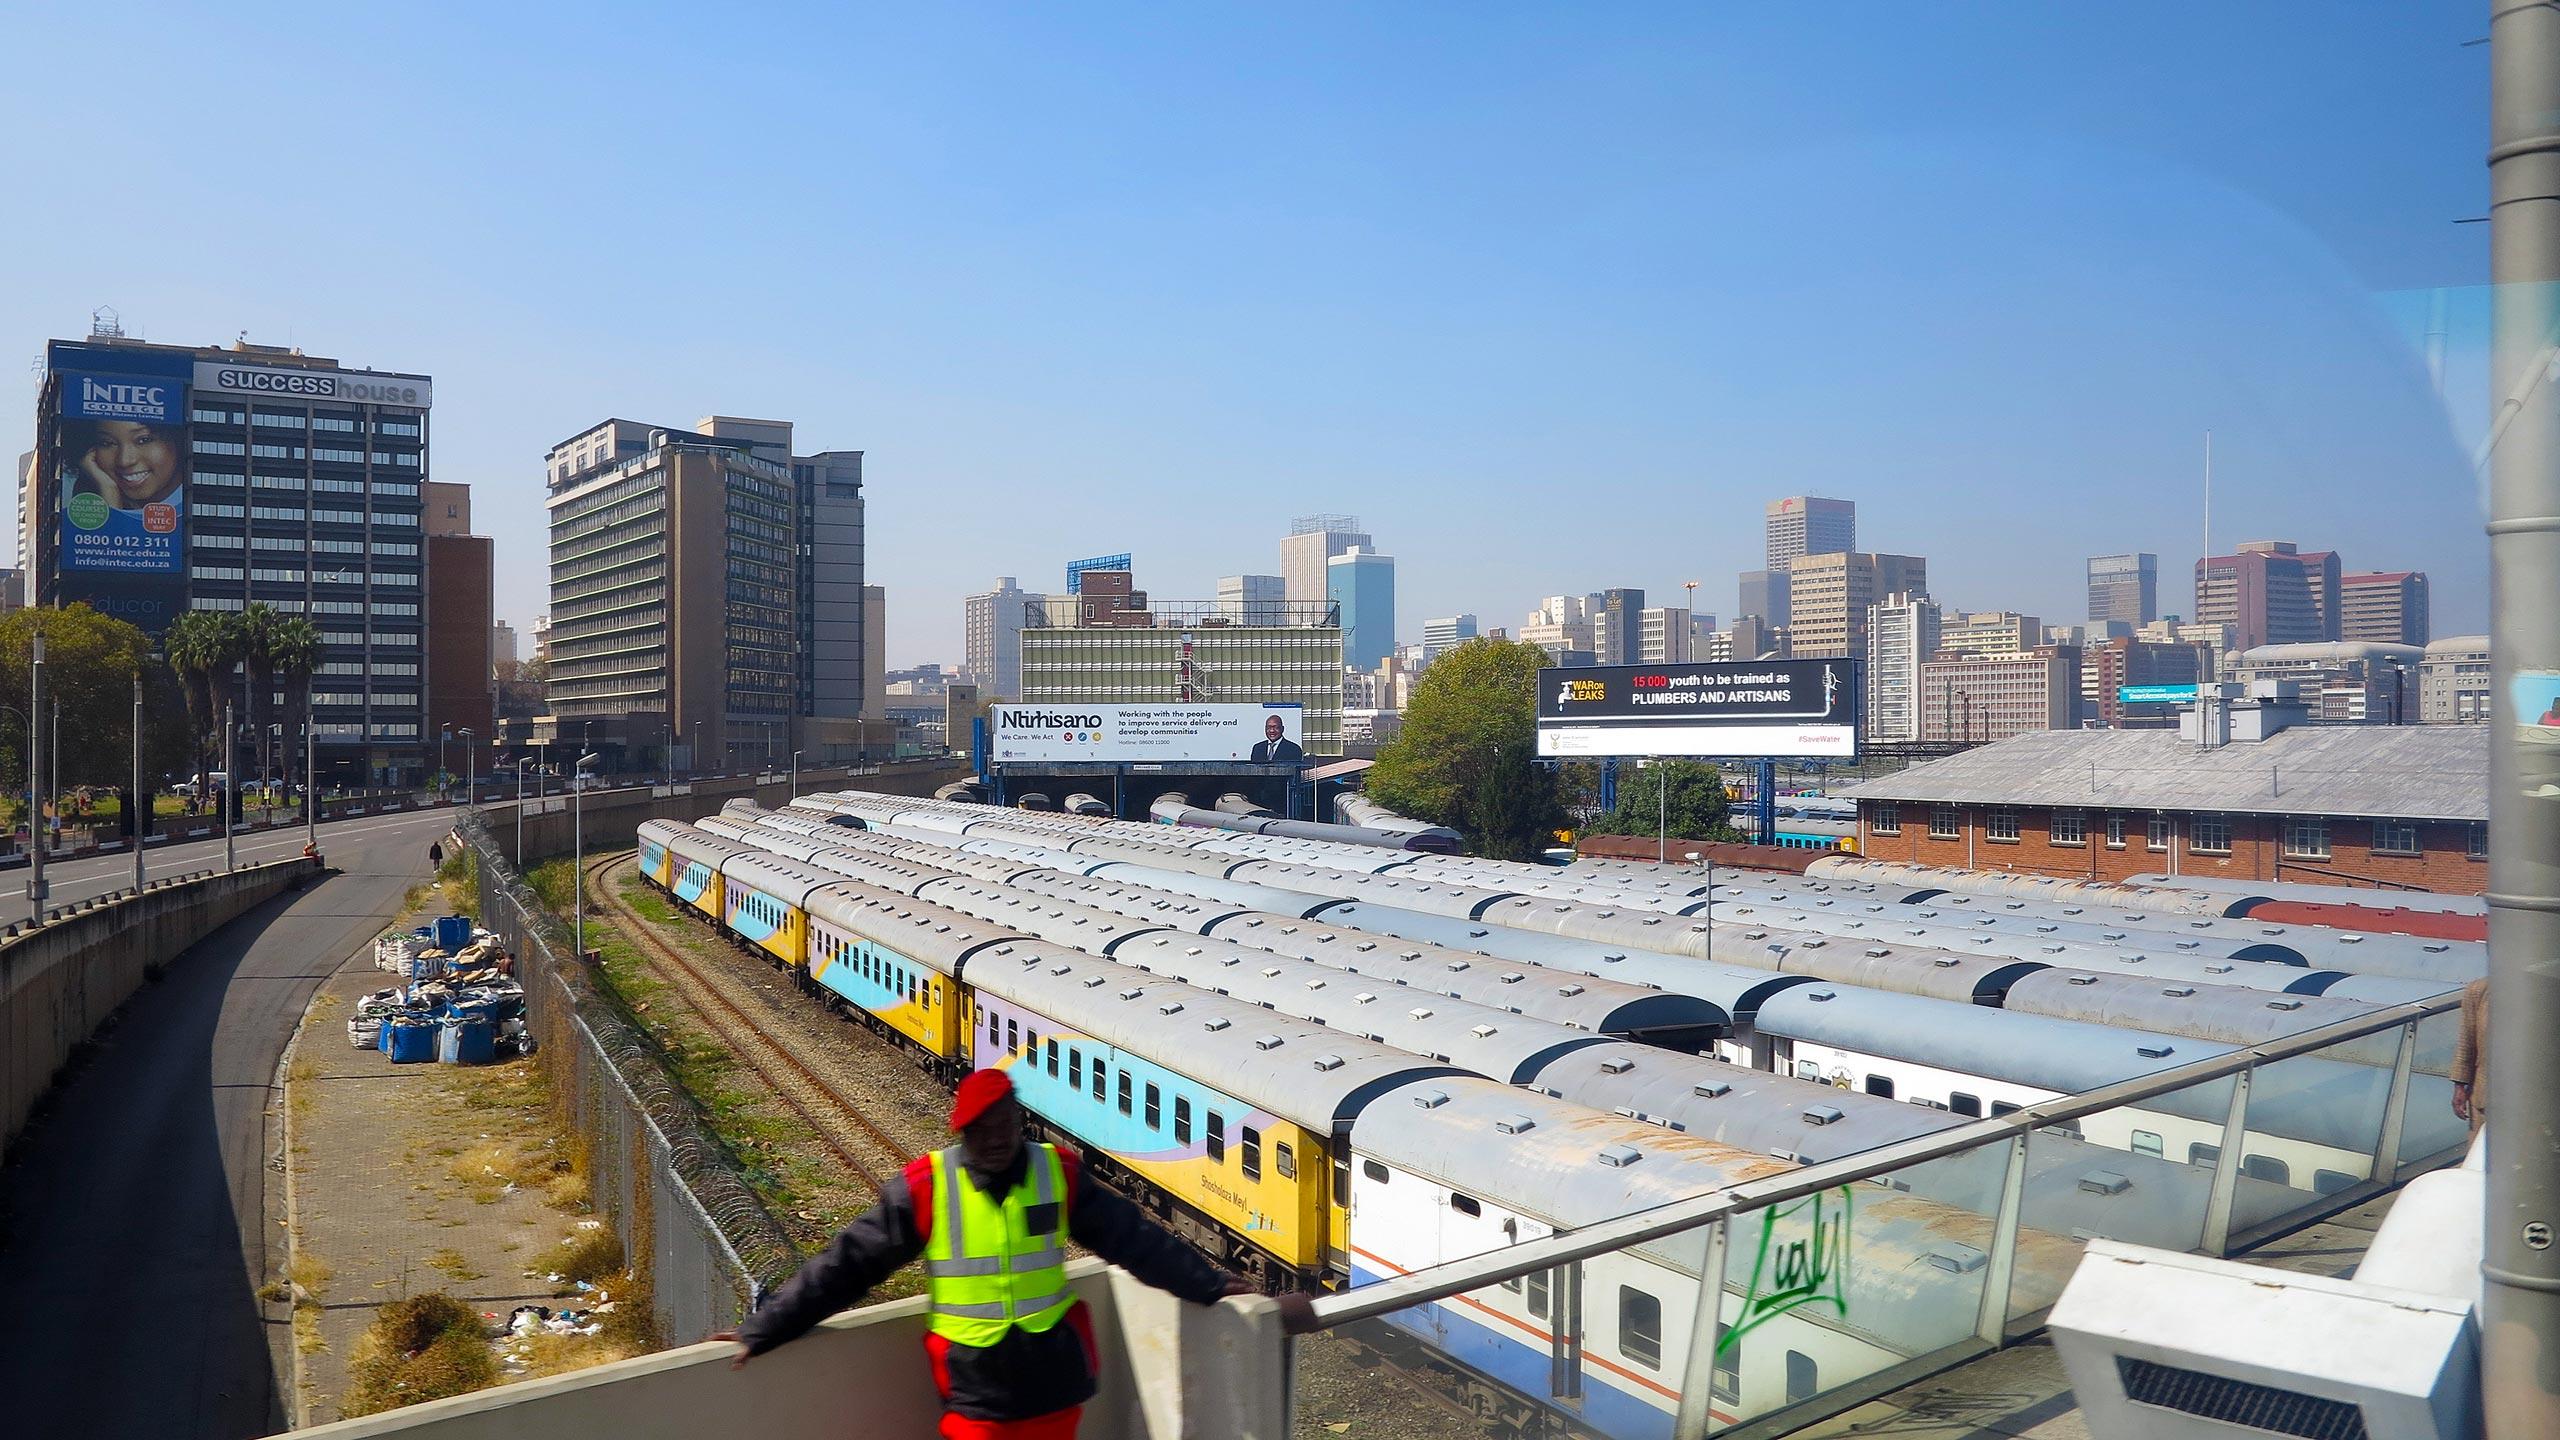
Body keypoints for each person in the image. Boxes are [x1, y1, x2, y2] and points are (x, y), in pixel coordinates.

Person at [720, 1068, 1315, 1438]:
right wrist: (767, 1327)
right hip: (977, 1396)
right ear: (962, 1133)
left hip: (1053, 1387)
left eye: (1006, 1124)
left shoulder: (1056, 1173)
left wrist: (1208, 1284)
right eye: (982, 1129)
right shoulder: (928, 1188)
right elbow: (846, 1266)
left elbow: (1134, 1240)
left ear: (1019, 1122)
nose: (998, 1138)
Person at [2452, 976, 2489, 1139]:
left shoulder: (2545, 988)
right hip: (2485, 1095)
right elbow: (2467, 1041)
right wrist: (2459, 1085)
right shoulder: (2478, 990)